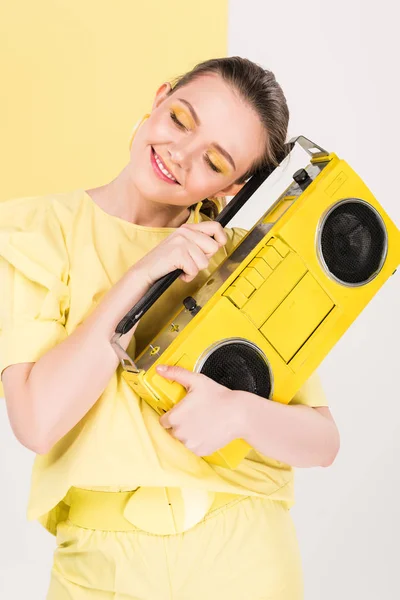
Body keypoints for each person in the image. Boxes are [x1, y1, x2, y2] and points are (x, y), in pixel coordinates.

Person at [0, 56, 340, 599]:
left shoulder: (245, 260)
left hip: (246, 554)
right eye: (181, 119)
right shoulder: (37, 232)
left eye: (213, 160)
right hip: (100, 565)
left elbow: (322, 441)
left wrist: (238, 413)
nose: (179, 154)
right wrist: (142, 275)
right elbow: (37, 421)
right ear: (160, 97)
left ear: (234, 188)